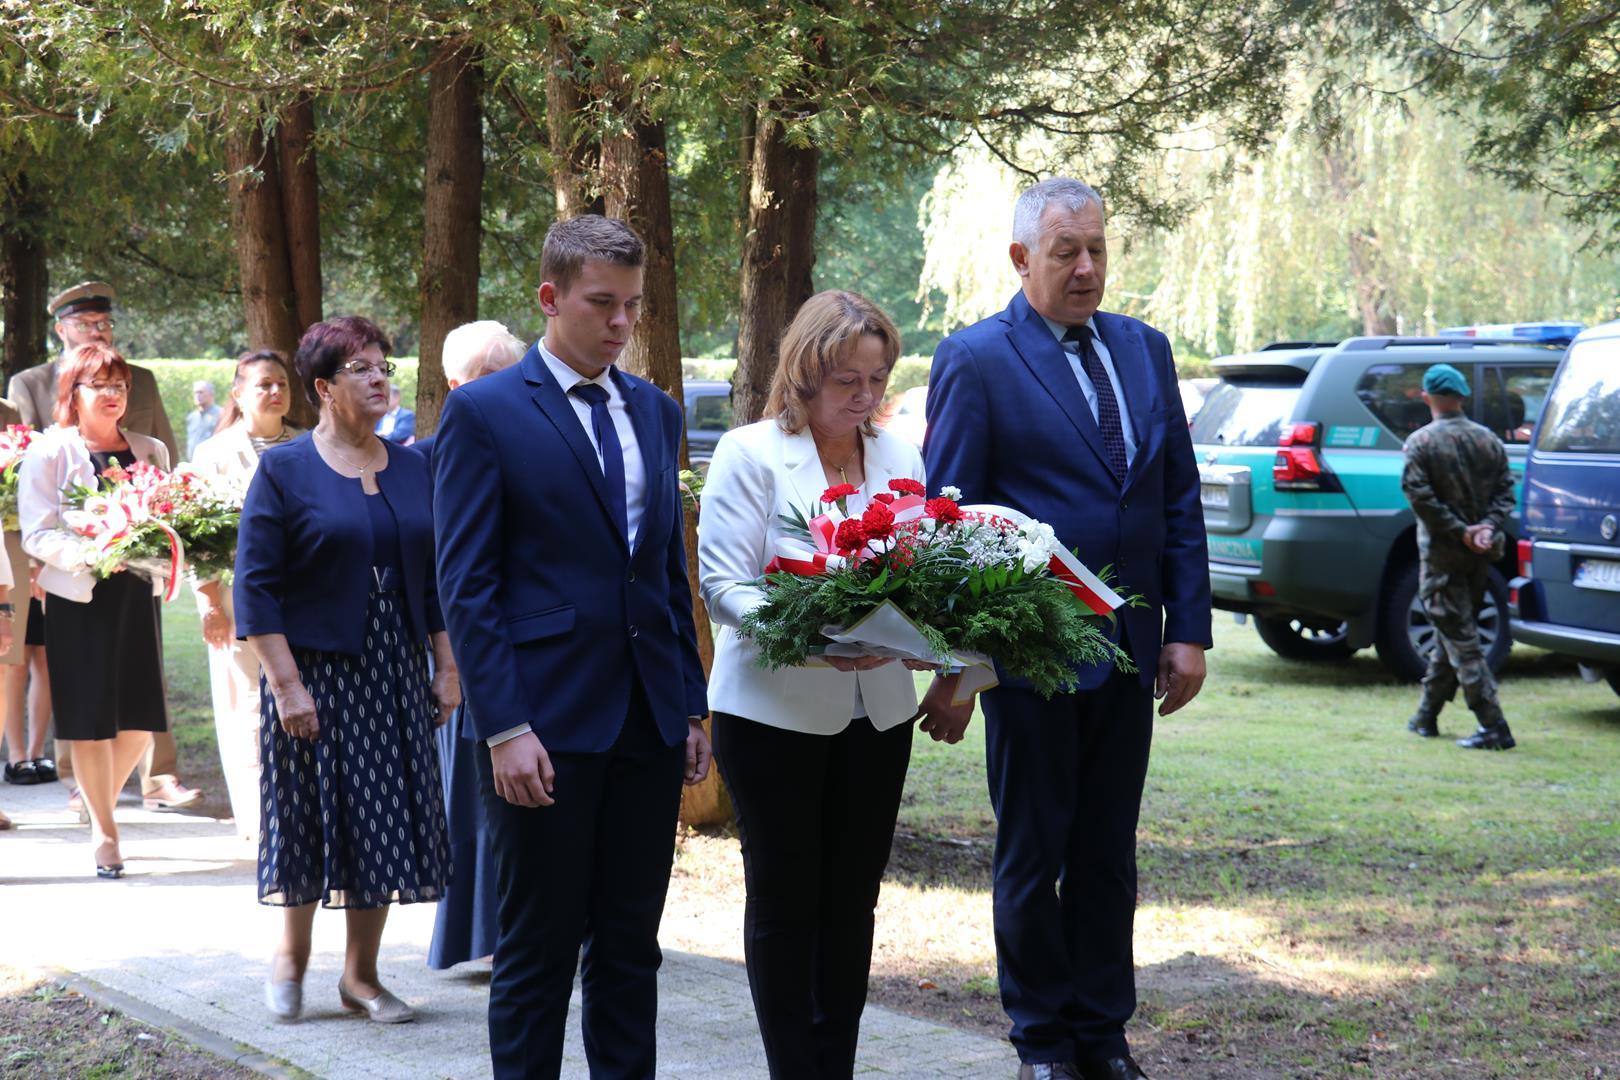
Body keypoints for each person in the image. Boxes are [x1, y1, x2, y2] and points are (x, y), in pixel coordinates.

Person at [922, 178, 1211, 1080]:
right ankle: (1042, 1042)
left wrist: (1187, 628)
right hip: (1031, 658)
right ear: (1021, 258)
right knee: (1032, 854)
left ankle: (1103, 1034)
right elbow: (950, 523)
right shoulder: (976, 359)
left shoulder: (1145, 349)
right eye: (1065, 253)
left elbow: (1176, 497)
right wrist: (962, 666)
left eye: (1097, 249)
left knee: (1107, 855)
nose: (1087, 268)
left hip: (1130, 650)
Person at [434, 214, 711, 1079]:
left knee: (631, 947)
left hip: (647, 722)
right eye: (602, 303)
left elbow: (664, 572)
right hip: (541, 725)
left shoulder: (656, 411)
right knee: (538, 949)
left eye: (632, 304)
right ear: (551, 298)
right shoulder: (482, 412)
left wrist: (689, 704)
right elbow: (467, 584)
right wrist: (504, 726)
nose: (621, 322)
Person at [698, 290, 926, 1078]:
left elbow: (924, 576)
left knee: (853, 901)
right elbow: (725, 586)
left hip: (880, 711)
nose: (865, 397)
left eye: (878, 379)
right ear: (803, 373)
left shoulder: (900, 458)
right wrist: (816, 636)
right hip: (772, 713)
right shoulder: (750, 453)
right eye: (847, 381)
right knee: (785, 901)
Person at [234, 316, 456, 1024]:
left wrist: (446, 666)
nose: (380, 377)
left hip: (394, 666)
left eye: (383, 365)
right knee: (306, 814)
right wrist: (286, 686)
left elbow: (434, 582)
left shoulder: (414, 466)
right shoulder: (285, 469)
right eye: (361, 368)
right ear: (324, 388)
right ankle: (290, 960)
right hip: (314, 671)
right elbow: (255, 588)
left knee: (382, 816)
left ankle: (361, 977)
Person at [9, 281, 197, 813]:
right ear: (61, 329)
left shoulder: (142, 385)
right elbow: (26, 482)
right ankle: (84, 788)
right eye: (86, 323)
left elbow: (165, 475)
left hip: (139, 576)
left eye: (104, 323)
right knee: (82, 691)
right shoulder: (32, 385)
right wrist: (47, 564)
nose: (98, 330)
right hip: (69, 565)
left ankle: (151, 779)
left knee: (142, 696)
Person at [18, 343, 172, 878]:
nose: (113, 394)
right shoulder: (50, 452)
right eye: (100, 385)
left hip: (137, 594)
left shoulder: (151, 450)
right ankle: (106, 835)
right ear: (73, 393)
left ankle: (95, 800)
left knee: (140, 721)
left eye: (120, 385)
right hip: (78, 597)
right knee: (88, 720)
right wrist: (95, 552)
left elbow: (169, 519)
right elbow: (37, 532)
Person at [417, 320, 525, 973]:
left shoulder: (545, 447)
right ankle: (486, 936)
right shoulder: (424, 459)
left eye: (513, 372)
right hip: (466, 650)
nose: (506, 386)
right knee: (477, 804)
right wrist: (449, 662)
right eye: (490, 375)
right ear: (457, 386)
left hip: (540, 649)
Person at [190, 351, 305, 843]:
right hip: (239, 602)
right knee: (254, 709)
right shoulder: (213, 454)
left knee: (301, 700)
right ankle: (263, 821)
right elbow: (194, 535)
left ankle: (301, 814)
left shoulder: (310, 443)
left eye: (282, 383)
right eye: (263, 384)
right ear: (238, 393)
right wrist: (210, 604)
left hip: (304, 598)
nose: (275, 392)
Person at [1401, 363, 1517, 750]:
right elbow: (1506, 492)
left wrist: (1459, 531)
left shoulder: (1421, 442)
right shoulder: (1488, 440)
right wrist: (1486, 527)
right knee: (1451, 631)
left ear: (1427, 397)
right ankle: (1426, 716)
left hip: (1442, 557)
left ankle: (1494, 725)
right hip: (1480, 555)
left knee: (1462, 641)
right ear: (1462, 397)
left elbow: (1419, 496)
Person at [0, 394, 52, 789]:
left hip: (24, 555)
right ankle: (17, 753)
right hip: (9, 558)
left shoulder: (9, 412)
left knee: (34, 657)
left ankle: (33, 752)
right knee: (11, 663)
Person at [186, 380, 223, 458]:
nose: (197, 395)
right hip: (193, 462)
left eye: (201, 392)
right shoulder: (192, 417)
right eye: (195, 393)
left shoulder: (221, 415)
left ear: (211, 394)